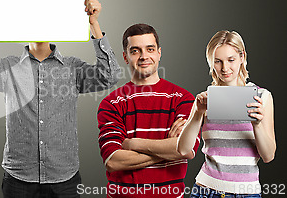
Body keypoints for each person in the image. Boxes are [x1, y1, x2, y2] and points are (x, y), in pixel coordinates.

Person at [0, 0, 121, 197]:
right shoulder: (9, 67)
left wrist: (94, 24)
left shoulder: (72, 67)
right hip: (18, 178)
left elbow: (110, 75)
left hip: (64, 178)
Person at [97, 23, 198, 198]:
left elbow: (187, 150)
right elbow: (113, 161)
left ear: (159, 53)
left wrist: (135, 143)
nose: (144, 56)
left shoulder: (184, 99)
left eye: (150, 49)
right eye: (135, 51)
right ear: (125, 57)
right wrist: (169, 149)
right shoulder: (112, 103)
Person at [177, 30, 276, 197]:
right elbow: (183, 149)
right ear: (211, 63)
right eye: (218, 61)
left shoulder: (262, 97)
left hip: (247, 193)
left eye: (231, 60)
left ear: (242, 57)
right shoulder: (205, 99)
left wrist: (257, 124)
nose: (225, 68)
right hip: (205, 190)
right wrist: (197, 113)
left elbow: (268, 156)